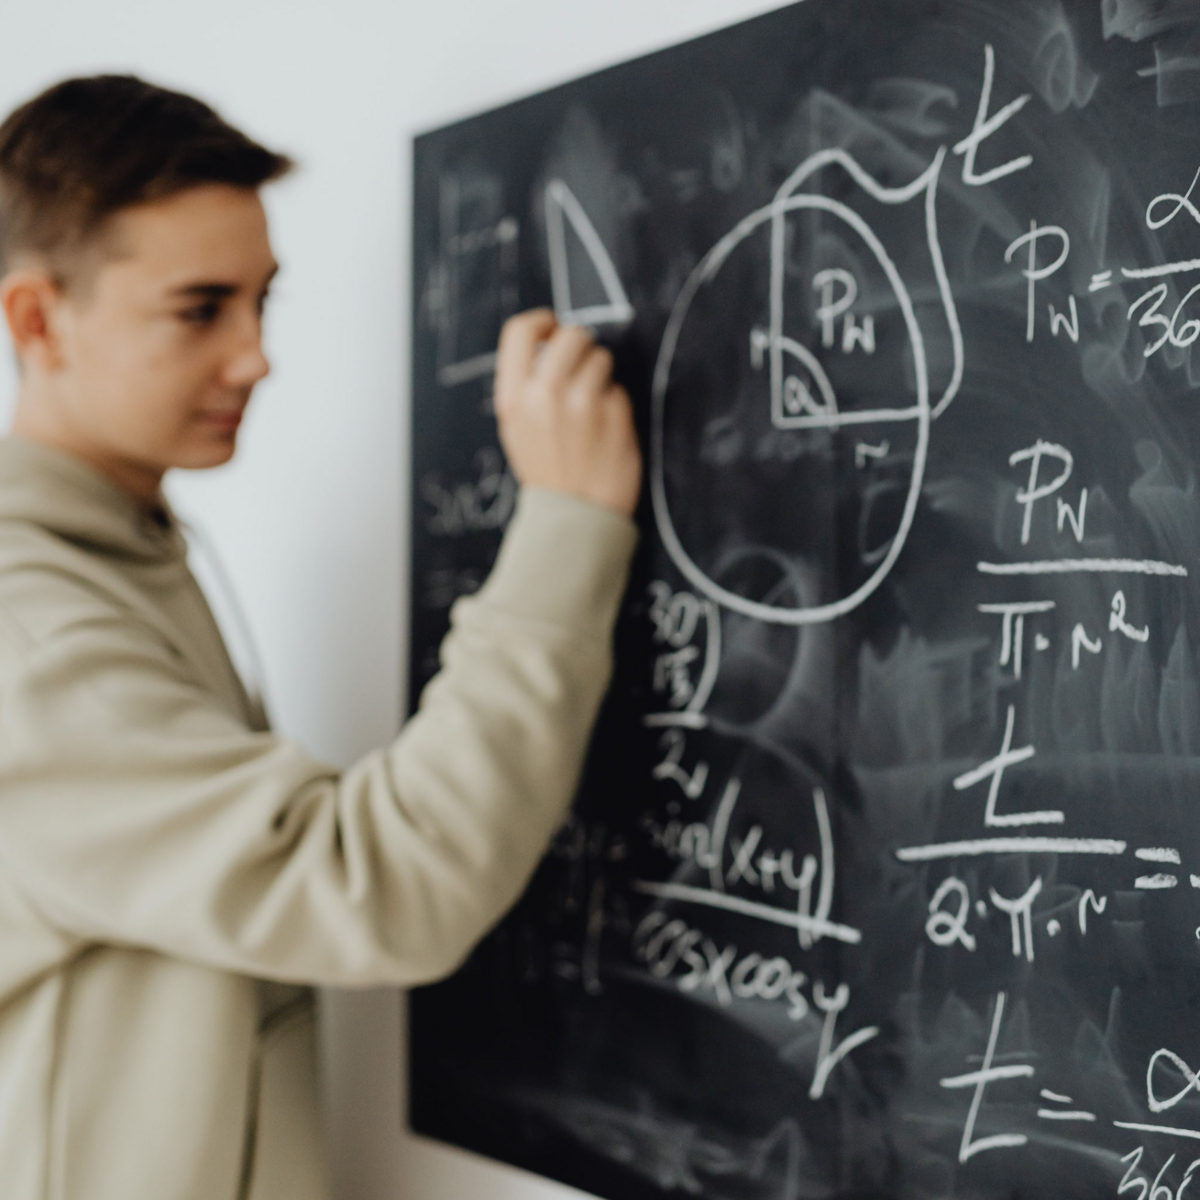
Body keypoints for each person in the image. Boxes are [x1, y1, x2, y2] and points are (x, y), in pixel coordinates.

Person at [0, 75, 640, 1200]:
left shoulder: (124, 548)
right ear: (38, 320)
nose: (255, 357)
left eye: (263, 302)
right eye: (201, 308)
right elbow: (378, 888)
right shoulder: (30, 628)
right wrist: (568, 528)